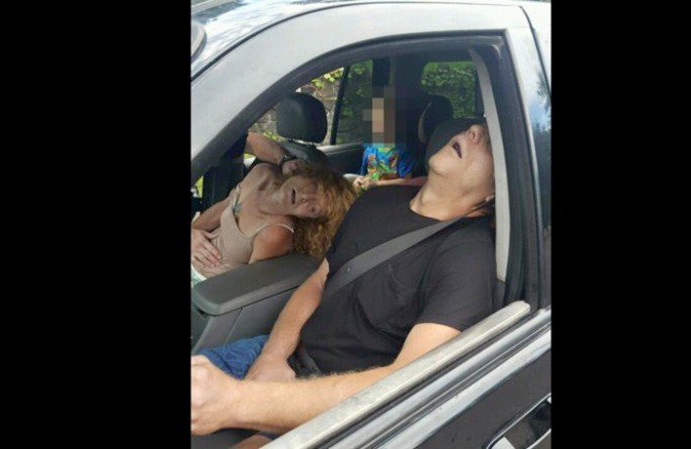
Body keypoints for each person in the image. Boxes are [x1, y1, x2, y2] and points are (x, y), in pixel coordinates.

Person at [191, 123, 498, 444]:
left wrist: (239, 402)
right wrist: (272, 355)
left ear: (494, 191)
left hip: (341, 402)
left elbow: (407, 382)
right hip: (280, 352)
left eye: (489, 142)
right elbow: (318, 282)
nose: (475, 129)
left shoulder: (470, 260)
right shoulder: (377, 200)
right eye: (476, 126)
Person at [191, 133, 355, 284]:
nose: (305, 197)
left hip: (205, 286)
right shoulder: (262, 173)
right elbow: (224, 206)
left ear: (309, 219)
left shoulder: (276, 232)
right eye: (312, 187)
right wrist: (193, 232)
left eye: (313, 208)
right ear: (307, 174)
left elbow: (246, 286)